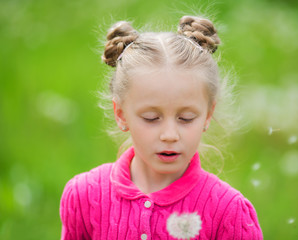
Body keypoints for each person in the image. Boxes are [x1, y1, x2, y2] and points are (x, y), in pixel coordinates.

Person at [60, 16, 263, 240]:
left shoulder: (228, 212)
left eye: (185, 118)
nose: (169, 135)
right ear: (121, 114)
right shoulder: (84, 196)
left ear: (208, 115)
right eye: (151, 117)